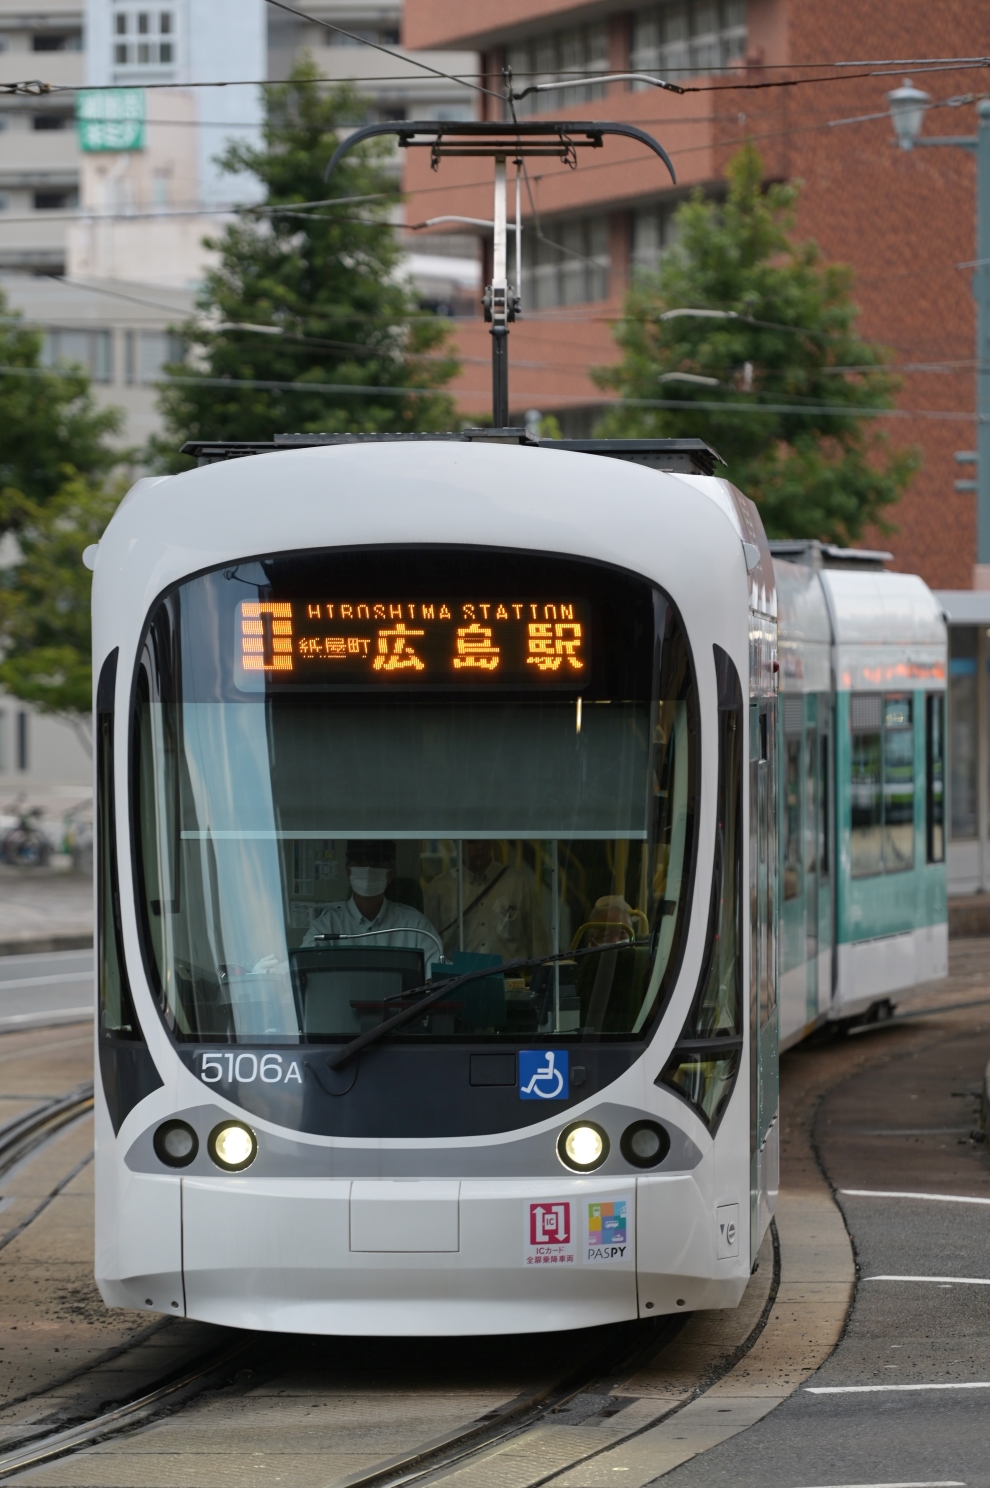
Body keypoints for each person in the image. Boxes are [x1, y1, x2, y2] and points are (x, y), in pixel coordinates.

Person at [303, 841, 442, 965]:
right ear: (348, 870)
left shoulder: (415, 926)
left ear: (390, 873)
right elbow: (302, 971)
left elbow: (437, 978)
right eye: (361, 864)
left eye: (376, 865)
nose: (368, 871)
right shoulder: (326, 926)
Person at [424, 841, 551, 963]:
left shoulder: (517, 883)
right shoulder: (440, 889)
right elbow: (429, 942)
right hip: (457, 978)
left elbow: (537, 940)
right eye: (472, 841)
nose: (480, 846)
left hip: (508, 978)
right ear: (458, 844)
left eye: (484, 839)